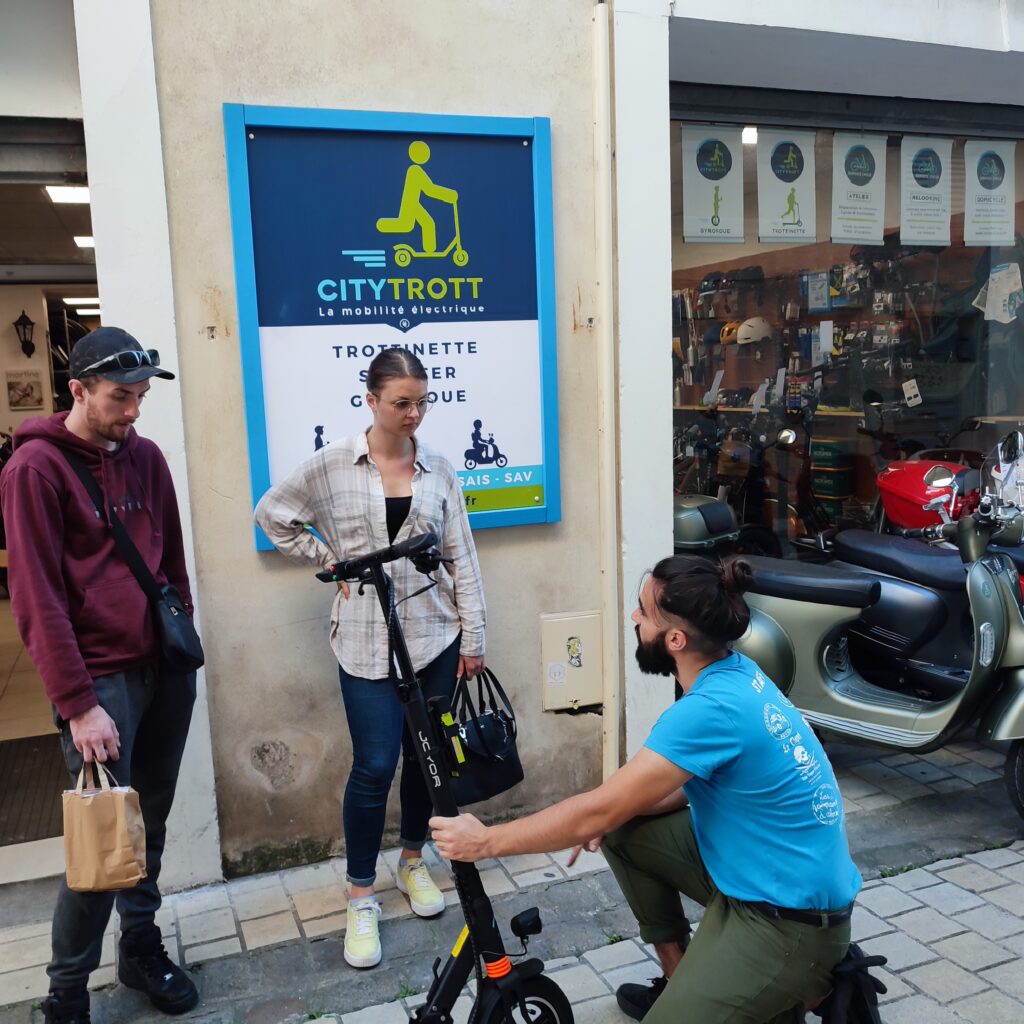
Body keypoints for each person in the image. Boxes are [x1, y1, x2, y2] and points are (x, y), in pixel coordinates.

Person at [431, 555, 861, 1024]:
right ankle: (688, 985)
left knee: (611, 817)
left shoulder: (709, 710)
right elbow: (658, 795)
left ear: (675, 640)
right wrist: (614, 815)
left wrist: (486, 842)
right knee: (624, 827)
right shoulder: (737, 673)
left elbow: (594, 811)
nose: (633, 618)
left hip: (789, 923)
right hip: (768, 882)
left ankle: (812, 987)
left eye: (643, 611)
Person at [255, 348, 486, 970]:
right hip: (362, 639)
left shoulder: (438, 466)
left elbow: (461, 553)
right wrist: (325, 560)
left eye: (422, 402)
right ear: (372, 400)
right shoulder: (333, 465)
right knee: (375, 763)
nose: (413, 414)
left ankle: (413, 860)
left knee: (427, 760)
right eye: (400, 402)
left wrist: (474, 636)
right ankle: (361, 894)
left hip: (433, 636)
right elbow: (272, 514)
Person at [0, 327, 200, 1024]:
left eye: (142, 395)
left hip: (164, 672)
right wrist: (80, 704)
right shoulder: (35, 470)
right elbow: (36, 598)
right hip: (100, 687)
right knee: (101, 845)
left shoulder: (145, 458)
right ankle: (65, 992)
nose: (135, 410)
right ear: (78, 390)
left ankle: (140, 949)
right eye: (122, 396)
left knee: (150, 830)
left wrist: (180, 635)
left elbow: (170, 558)